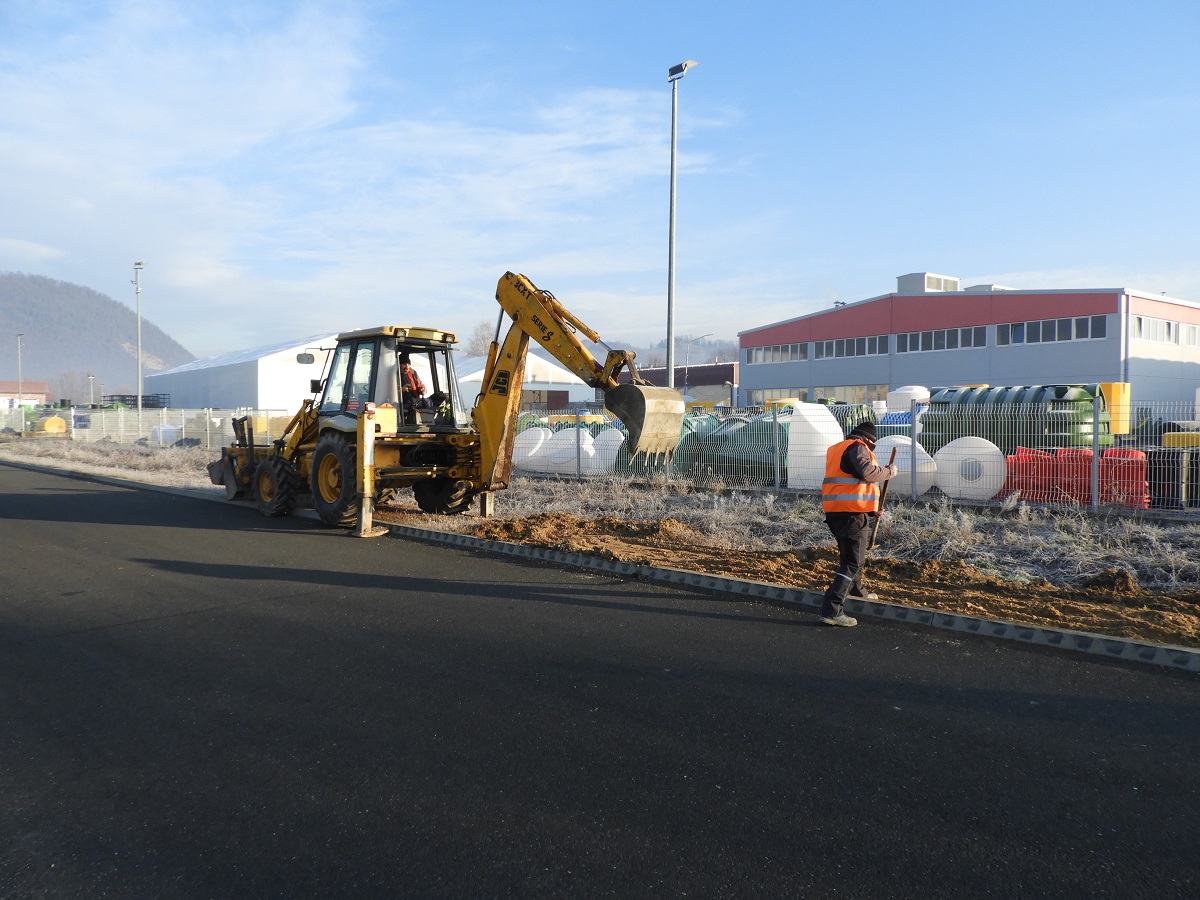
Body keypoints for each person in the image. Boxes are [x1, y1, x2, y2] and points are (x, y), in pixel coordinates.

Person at [818, 421, 898, 627]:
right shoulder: (857, 447)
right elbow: (866, 472)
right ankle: (832, 610)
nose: (872, 448)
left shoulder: (838, 449)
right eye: (872, 444)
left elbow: (851, 484)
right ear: (868, 439)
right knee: (853, 562)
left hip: (839, 512)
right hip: (851, 515)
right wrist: (888, 472)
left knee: (853, 558)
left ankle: (857, 591)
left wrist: (872, 510)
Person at [398, 352, 426, 424]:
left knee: (428, 403)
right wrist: (401, 389)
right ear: (398, 364)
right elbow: (388, 392)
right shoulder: (392, 374)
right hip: (399, 404)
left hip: (414, 402)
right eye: (404, 364)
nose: (407, 367)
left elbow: (420, 385)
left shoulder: (413, 373)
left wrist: (422, 390)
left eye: (408, 364)